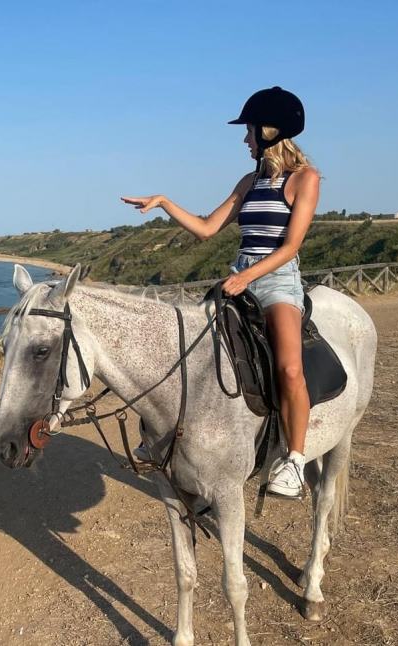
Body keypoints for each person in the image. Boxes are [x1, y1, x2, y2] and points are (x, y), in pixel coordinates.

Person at [121, 87, 319, 499]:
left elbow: (291, 246)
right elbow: (208, 227)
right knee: (191, 352)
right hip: (240, 274)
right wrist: (164, 202)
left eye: (249, 132)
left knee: (289, 369)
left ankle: (295, 460)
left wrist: (249, 279)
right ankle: (167, 437)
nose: (245, 140)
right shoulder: (249, 182)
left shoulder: (306, 180)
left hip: (277, 278)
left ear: (268, 133)